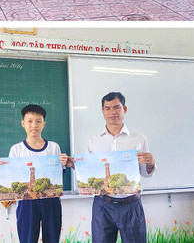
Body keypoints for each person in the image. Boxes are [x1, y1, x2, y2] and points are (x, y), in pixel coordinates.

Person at [66, 92, 155, 243]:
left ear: (124, 109)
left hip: (131, 203)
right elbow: (90, 172)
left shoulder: (138, 139)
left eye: (116, 107)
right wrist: (74, 165)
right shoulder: (93, 140)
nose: (112, 112)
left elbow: (144, 173)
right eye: (107, 108)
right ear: (102, 111)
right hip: (103, 204)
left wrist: (151, 164)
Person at [0, 105, 70, 243]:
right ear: (23, 123)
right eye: (29, 121)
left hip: (50, 201)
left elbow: (58, 175)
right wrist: (0, 169)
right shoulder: (16, 150)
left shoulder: (53, 147)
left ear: (44, 124)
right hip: (26, 203)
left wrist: (64, 162)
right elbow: (10, 177)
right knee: (27, 239)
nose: (34, 125)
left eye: (38, 121)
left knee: (52, 238)